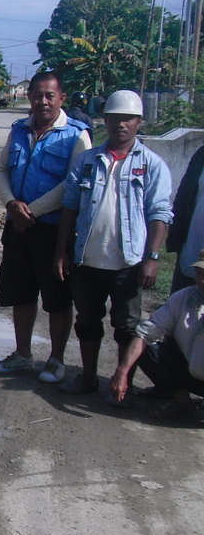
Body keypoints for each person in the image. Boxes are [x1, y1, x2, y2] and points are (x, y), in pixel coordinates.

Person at [55, 89, 172, 399]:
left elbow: (160, 213)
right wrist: (62, 251)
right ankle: (88, 378)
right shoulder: (87, 161)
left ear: (138, 122)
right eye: (115, 118)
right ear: (104, 121)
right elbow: (70, 207)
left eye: (128, 119)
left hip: (128, 264)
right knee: (87, 322)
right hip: (87, 260)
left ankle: (123, 386)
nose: (121, 124)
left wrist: (152, 257)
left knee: (127, 326)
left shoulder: (151, 164)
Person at [0, 72, 91, 382]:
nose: (42, 101)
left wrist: (32, 210)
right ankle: (23, 354)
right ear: (29, 96)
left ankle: (56, 360)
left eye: (49, 95)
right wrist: (10, 204)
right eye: (37, 95)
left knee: (57, 297)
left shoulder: (77, 135)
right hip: (18, 227)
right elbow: (1, 169)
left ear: (62, 98)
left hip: (53, 230)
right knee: (20, 293)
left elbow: (73, 184)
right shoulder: (19, 130)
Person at [110, 248, 204, 420]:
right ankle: (181, 400)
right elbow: (147, 332)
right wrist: (122, 370)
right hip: (191, 373)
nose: (202, 280)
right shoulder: (182, 298)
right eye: (199, 273)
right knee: (142, 344)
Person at [166, 143, 204, 294]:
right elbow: (183, 197)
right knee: (182, 304)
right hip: (192, 253)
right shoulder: (201, 155)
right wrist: (177, 240)